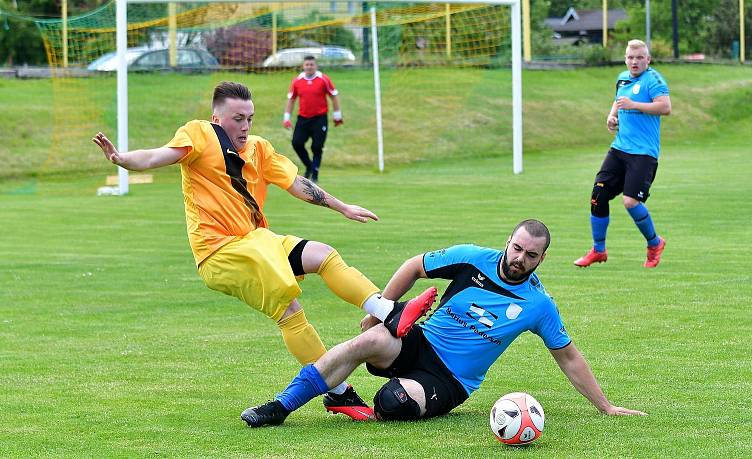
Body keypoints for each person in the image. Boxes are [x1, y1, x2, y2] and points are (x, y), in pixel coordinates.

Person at [92, 81, 436, 421]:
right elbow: (158, 155)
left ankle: (385, 313)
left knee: (323, 254)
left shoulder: (258, 149)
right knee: (289, 310)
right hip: (221, 253)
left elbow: (298, 184)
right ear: (216, 119)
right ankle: (340, 391)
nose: (245, 126)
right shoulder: (199, 135)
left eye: (250, 118)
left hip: (257, 242)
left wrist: (342, 206)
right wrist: (123, 159)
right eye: (237, 118)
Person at [240, 219, 647, 427]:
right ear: (508, 241)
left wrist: (606, 407)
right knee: (364, 342)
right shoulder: (473, 257)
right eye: (517, 247)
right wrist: (383, 305)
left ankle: (362, 403)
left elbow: (569, 358)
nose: (520, 258)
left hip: (450, 380)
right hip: (418, 342)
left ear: (542, 260)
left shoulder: (538, 305)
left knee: (393, 403)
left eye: (531, 255)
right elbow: (414, 265)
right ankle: (280, 406)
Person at [574, 39, 672, 269]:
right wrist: (612, 116)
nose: (634, 62)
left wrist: (634, 105)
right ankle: (598, 250)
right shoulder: (622, 78)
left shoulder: (654, 80)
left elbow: (665, 107)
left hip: (643, 154)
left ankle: (654, 243)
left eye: (639, 58)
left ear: (648, 59)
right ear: (625, 58)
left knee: (630, 202)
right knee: (598, 194)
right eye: (630, 57)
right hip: (619, 148)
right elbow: (618, 102)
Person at [283, 55, 342, 183]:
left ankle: (315, 173)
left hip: (320, 118)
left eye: (312, 64)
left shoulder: (323, 79)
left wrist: (337, 115)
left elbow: (334, 96)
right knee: (296, 143)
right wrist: (286, 117)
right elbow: (291, 99)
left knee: (317, 146)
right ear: (303, 66)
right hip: (303, 118)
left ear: (316, 66)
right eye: (307, 64)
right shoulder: (297, 81)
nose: (309, 67)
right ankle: (309, 166)